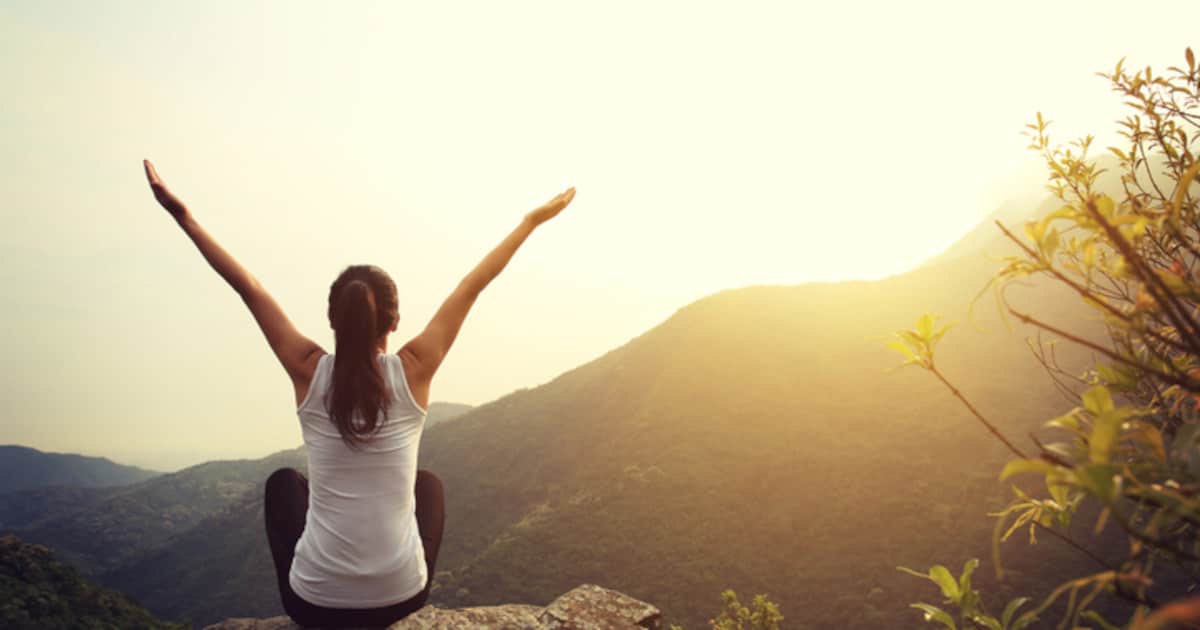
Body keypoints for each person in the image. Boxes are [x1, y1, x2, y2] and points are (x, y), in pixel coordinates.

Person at [141, 159, 576, 627]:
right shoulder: (414, 371)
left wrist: (183, 217)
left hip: (314, 607)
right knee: (428, 485)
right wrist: (529, 223)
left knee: (284, 484)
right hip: (400, 600)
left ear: (333, 320)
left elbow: (248, 288)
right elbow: (472, 286)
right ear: (393, 321)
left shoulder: (308, 371)